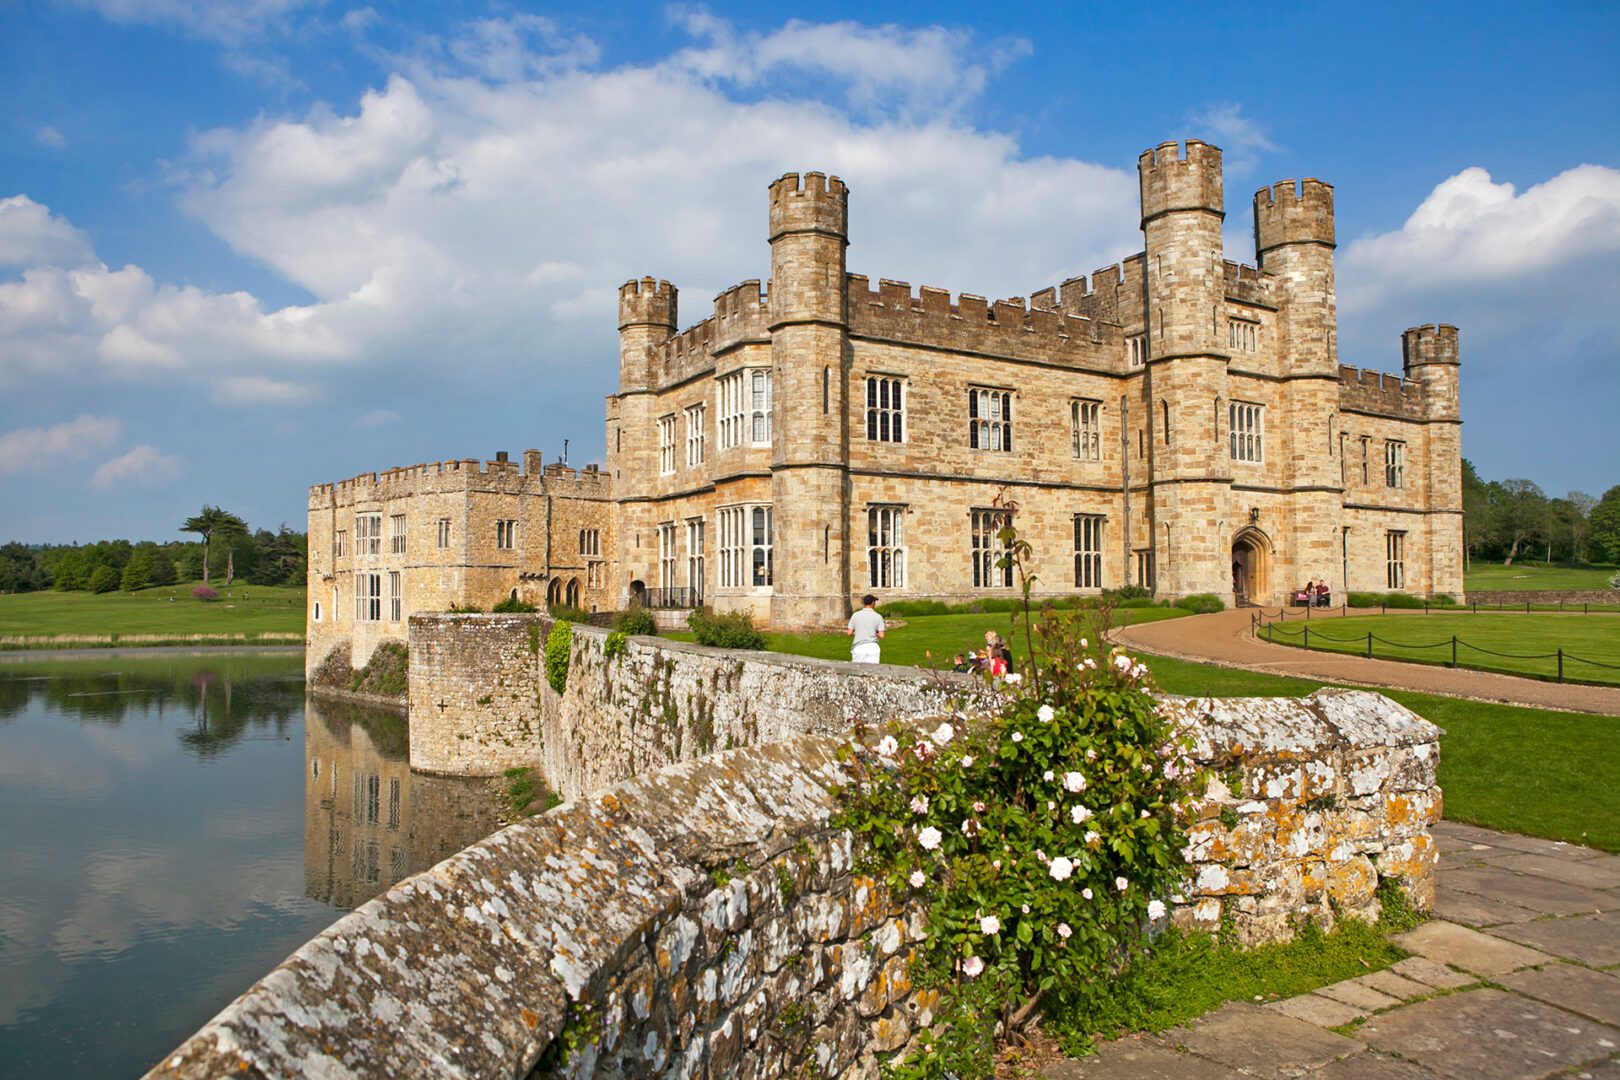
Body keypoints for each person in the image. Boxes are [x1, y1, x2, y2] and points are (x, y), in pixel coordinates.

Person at [846, 594, 885, 664]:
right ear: (873, 603)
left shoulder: (855, 615)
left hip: (859, 647)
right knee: (873, 672)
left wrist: (859, 632)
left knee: (857, 671)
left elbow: (849, 633)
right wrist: (874, 632)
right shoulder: (878, 616)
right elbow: (882, 635)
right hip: (873, 647)